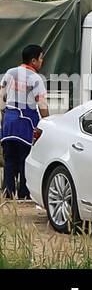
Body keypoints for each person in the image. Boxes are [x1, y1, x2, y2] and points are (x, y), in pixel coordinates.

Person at [1, 45, 48, 200]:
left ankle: (8, 193)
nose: (42, 61)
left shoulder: (10, 73)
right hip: (25, 122)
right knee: (24, 159)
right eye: (41, 58)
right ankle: (24, 194)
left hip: (9, 122)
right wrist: (47, 121)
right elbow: (41, 104)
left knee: (9, 159)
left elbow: (2, 96)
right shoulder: (36, 79)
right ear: (33, 60)